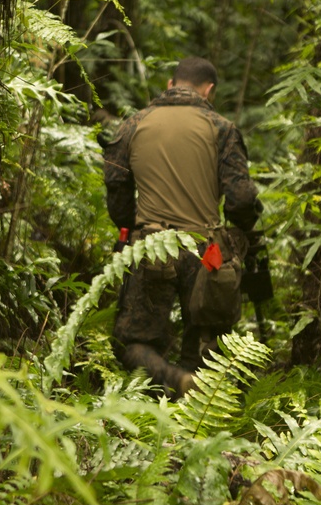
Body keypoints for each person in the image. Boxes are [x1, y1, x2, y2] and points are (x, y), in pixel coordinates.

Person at [102, 56, 262, 398]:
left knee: (133, 342)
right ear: (210, 90)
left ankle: (170, 383)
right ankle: (192, 400)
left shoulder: (133, 124)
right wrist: (244, 237)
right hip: (206, 252)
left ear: (171, 84)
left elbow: (115, 183)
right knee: (206, 337)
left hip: (151, 247)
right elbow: (240, 200)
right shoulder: (221, 128)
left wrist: (131, 226)